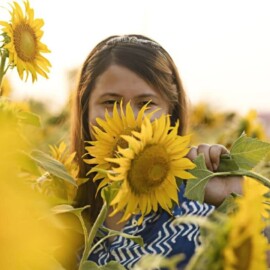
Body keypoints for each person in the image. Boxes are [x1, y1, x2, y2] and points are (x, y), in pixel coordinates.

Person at [70, 34, 243, 269]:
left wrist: (234, 201)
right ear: (85, 111)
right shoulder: (61, 205)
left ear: (170, 114)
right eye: (110, 102)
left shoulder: (200, 215)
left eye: (146, 104)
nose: (128, 119)